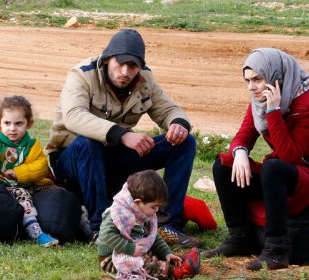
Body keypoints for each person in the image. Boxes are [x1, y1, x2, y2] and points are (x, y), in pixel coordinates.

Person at [46, 29, 201, 247]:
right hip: (71, 160)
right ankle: (100, 228)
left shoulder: (144, 78)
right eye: (120, 64)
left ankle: (168, 225)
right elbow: (74, 117)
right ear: (108, 59)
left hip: (112, 157)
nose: (125, 72)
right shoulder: (82, 74)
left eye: (133, 66)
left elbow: (168, 109)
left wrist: (178, 123)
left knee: (184, 142)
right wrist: (123, 135)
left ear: (140, 66)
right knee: (88, 142)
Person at [203, 48, 309, 270]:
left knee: (274, 167)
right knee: (223, 166)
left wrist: (274, 111)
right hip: (286, 176)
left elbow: (290, 155)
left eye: (258, 79)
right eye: (248, 80)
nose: (251, 87)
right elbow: (243, 136)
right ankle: (241, 237)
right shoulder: (259, 101)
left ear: (275, 77)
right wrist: (240, 152)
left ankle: (277, 249)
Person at [0, 95, 59, 247]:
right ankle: (36, 233)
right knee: (23, 197)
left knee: (58, 193)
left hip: (26, 182)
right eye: (7, 123)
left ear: (29, 124)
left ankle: (86, 227)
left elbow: (41, 166)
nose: (12, 128)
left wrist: (18, 173)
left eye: (19, 123)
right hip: (1, 185)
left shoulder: (31, 145)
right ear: (0, 121)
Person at [96, 170, 200, 279]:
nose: (157, 210)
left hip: (135, 251)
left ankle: (176, 261)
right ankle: (176, 271)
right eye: (154, 207)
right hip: (113, 258)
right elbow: (106, 235)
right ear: (137, 202)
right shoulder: (117, 213)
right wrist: (129, 248)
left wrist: (166, 252)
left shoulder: (141, 212)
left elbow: (153, 236)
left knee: (152, 256)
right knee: (142, 264)